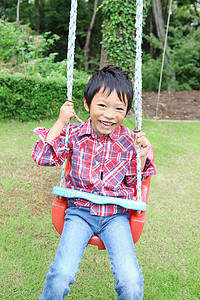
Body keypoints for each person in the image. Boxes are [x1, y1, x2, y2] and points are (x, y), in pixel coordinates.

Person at [32, 65, 157, 300]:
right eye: (102, 105)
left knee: (131, 282)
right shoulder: (74, 134)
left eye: (119, 108)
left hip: (115, 217)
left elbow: (133, 181)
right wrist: (60, 123)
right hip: (79, 213)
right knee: (60, 275)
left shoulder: (129, 141)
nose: (110, 115)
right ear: (87, 104)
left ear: (127, 110)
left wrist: (141, 155)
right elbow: (42, 156)